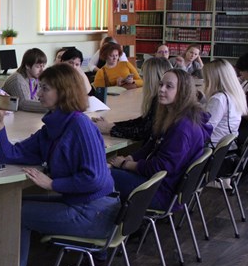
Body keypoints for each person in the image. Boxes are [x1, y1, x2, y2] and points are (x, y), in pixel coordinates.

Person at [0, 64, 120, 266]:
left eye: (45, 88)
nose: (38, 93)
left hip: (96, 212)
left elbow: (94, 179)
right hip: (83, 203)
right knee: (15, 203)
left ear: (63, 92)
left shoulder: (80, 125)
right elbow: (9, 155)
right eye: (40, 87)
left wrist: (53, 185)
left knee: (16, 213)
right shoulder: (53, 125)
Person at [109, 69, 212, 212]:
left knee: (102, 177)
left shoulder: (182, 128)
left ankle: (112, 221)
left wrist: (125, 164)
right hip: (162, 184)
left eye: (169, 86)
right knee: (108, 173)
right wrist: (130, 158)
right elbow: (151, 144)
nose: (161, 89)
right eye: (161, 84)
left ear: (182, 92)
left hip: (162, 192)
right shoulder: (174, 115)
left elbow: (159, 168)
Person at [93, 57, 172, 141]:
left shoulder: (162, 102)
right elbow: (142, 122)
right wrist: (111, 125)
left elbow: (142, 132)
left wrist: (108, 128)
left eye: (144, 76)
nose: (142, 80)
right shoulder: (159, 99)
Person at [202, 59, 248, 148]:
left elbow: (205, 129)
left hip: (213, 146)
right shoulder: (233, 94)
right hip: (228, 146)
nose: (204, 81)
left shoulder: (219, 99)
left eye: (206, 77)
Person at [1, 48, 47, 112]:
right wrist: (50, 107)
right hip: (11, 115)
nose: (42, 70)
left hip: (24, 114)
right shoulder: (17, 80)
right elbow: (23, 104)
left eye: (43, 66)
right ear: (27, 66)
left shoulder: (35, 78)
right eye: (38, 67)